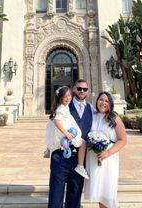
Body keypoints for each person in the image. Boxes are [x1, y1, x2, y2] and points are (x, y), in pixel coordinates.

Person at [47, 79, 93, 208]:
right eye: (79, 88)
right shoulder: (63, 107)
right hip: (61, 155)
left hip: (80, 157)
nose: (82, 91)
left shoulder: (92, 109)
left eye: (84, 89)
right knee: (56, 192)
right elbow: (52, 126)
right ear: (74, 89)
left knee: (75, 193)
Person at [84, 91, 127, 208]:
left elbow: (123, 140)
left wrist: (107, 152)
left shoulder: (114, 118)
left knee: (108, 193)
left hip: (108, 159)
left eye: (106, 101)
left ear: (110, 103)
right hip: (94, 158)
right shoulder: (93, 116)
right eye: (101, 100)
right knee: (100, 193)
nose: (103, 103)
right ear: (97, 101)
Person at [45, 86, 89, 179]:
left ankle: (50, 148)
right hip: (66, 133)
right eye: (65, 96)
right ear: (60, 98)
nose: (68, 98)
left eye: (69, 95)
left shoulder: (64, 106)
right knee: (83, 143)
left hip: (67, 130)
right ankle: (80, 166)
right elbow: (57, 121)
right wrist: (66, 133)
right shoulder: (61, 108)